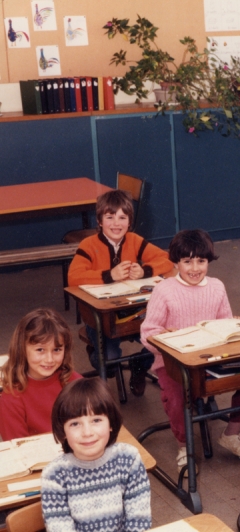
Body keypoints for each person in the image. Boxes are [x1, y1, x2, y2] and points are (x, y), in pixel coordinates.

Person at [140, 229, 240, 473]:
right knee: (176, 396)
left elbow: (225, 324)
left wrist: (234, 325)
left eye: (201, 261)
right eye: (187, 261)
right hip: (173, 363)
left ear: (208, 261)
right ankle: (184, 444)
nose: (195, 268)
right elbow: (148, 331)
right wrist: (164, 338)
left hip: (212, 360)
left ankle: (232, 433)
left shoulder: (216, 287)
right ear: (176, 262)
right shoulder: (164, 290)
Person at [67, 189, 173, 396]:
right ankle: (98, 355)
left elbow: (166, 258)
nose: (116, 223)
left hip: (135, 313)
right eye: (109, 217)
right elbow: (74, 277)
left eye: (122, 217)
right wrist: (109, 275)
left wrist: (145, 270)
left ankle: (139, 365)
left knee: (163, 342)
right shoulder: (88, 245)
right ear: (99, 221)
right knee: (109, 357)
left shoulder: (134, 240)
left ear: (129, 221)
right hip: (101, 318)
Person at [41, 378, 151, 532]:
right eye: (75, 424)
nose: (87, 433)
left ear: (111, 423)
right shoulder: (54, 475)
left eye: (96, 420)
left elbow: (139, 523)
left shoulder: (129, 459)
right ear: (63, 431)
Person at [0, 308, 82, 440]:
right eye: (40, 350)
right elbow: (17, 448)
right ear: (22, 348)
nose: (49, 359)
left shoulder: (76, 383)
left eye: (57, 349)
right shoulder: (11, 397)